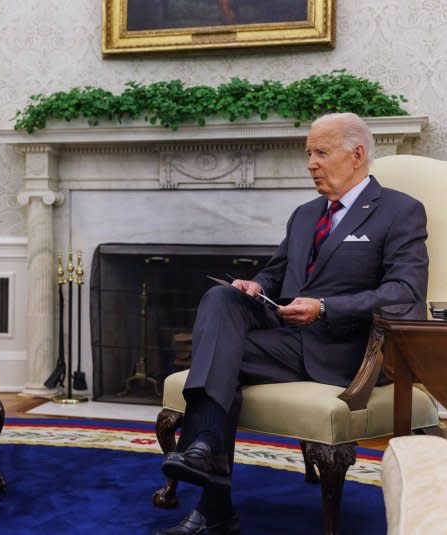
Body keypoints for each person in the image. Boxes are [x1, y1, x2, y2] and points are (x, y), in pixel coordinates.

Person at [155, 112, 429, 535]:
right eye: (308, 153)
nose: (310, 163)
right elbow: (276, 274)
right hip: (287, 341)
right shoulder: (304, 214)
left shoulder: (400, 211)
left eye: (321, 152)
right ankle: (209, 460)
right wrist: (255, 285)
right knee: (222, 297)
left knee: (217, 363)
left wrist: (325, 308)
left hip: (347, 353)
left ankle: (211, 506)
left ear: (357, 155)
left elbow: (404, 294)